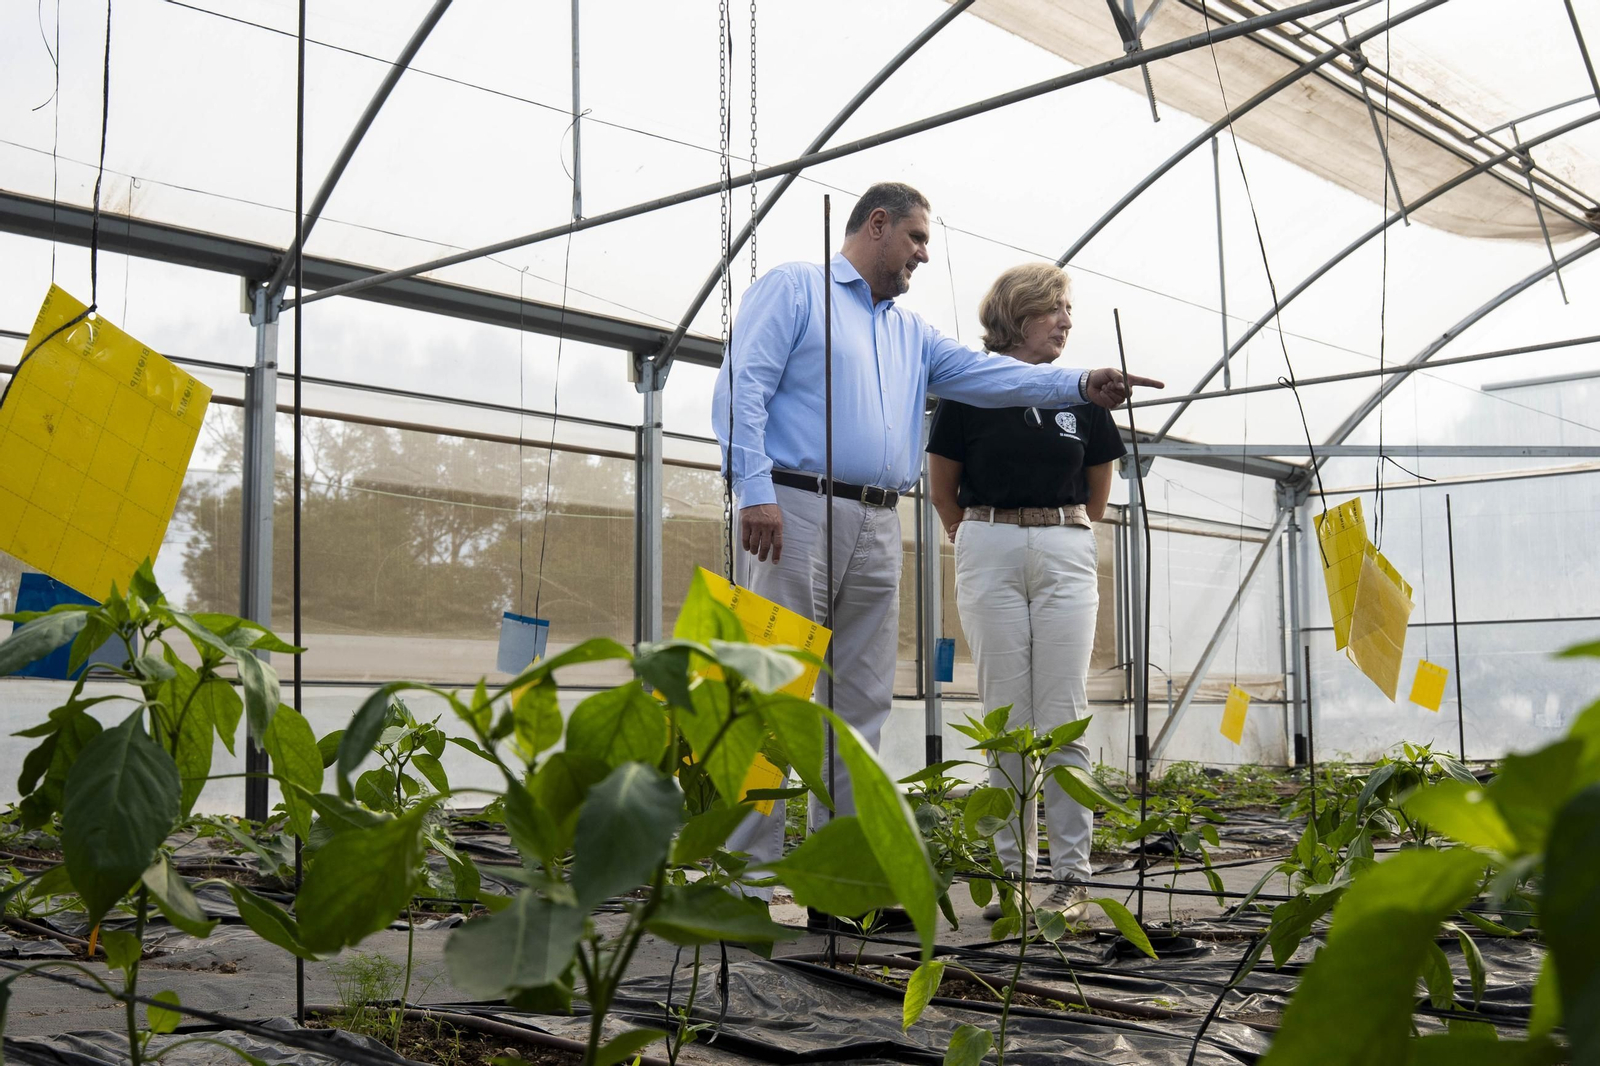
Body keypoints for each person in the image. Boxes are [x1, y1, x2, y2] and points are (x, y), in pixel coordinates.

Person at [711, 183, 1160, 905]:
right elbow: (743, 386)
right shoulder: (797, 289)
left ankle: (840, 882)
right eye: (917, 238)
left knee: (859, 705)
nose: (924, 254)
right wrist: (754, 488)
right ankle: (745, 881)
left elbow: (989, 376)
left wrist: (1080, 382)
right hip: (793, 506)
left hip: (876, 518)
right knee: (771, 689)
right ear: (878, 224)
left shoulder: (908, 332)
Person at [926, 262, 1124, 922]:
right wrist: (980, 536)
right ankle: (1008, 874)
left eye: (1069, 310)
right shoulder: (967, 392)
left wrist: (1057, 529)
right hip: (989, 546)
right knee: (1005, 716)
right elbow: (942, 487)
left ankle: (1070, 877)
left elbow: (1098, 488)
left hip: (1065, 547)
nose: (1067, 320)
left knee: (1063, 713)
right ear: (1017, 314)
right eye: (1054, 309)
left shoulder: (1084, 397)